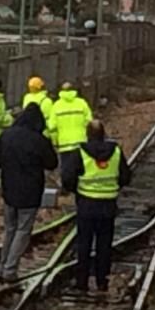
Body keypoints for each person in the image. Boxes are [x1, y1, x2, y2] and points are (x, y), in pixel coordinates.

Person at [0, 102, 58, 283]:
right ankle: (10, 269)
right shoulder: (39, 140)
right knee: (23, 230)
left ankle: (2, 267)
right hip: (31, 191)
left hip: (9, 189)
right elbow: (52, 163)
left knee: (10, 229)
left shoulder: (7, 136)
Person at [61, 119, 131, 292]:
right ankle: (102, 281)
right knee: (104, 244)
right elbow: (125, 177)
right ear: (103, 134)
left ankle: (82, 281)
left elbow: (68, 179)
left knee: (84, 243)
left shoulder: (80, 153)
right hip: (108, 204)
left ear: (87, 134)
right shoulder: (115, 151)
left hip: (86, 203)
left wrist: (77, 190)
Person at [49, 82, 94, 169]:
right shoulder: (82, 103)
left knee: (67, 170)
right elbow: (89, 122)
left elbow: (52, 127)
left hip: (64, 144)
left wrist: (55, 142)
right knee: (81, 169)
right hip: (81, 143)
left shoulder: (56, 106)